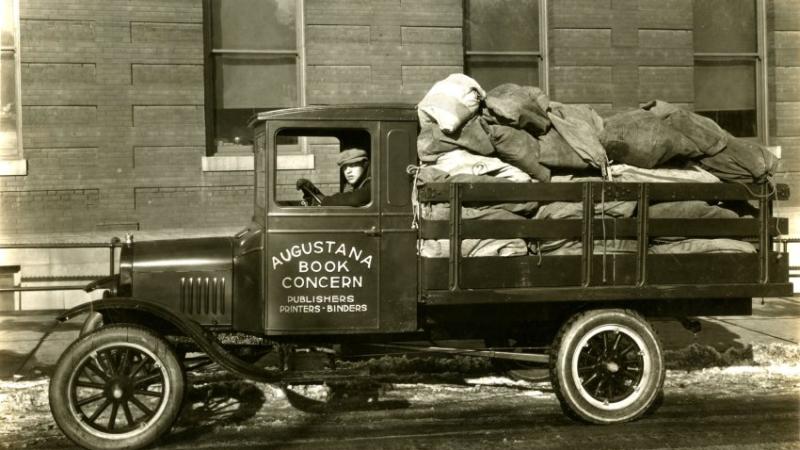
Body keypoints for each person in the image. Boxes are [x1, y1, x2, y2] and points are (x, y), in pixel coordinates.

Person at [296, 148, 371, 207]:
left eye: (353, 165)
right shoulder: (357, 185)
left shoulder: (372, 184)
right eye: (345, 167)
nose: (348, 171)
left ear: (364, 165)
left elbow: (355, 199)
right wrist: (314, 191)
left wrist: (324, 201)